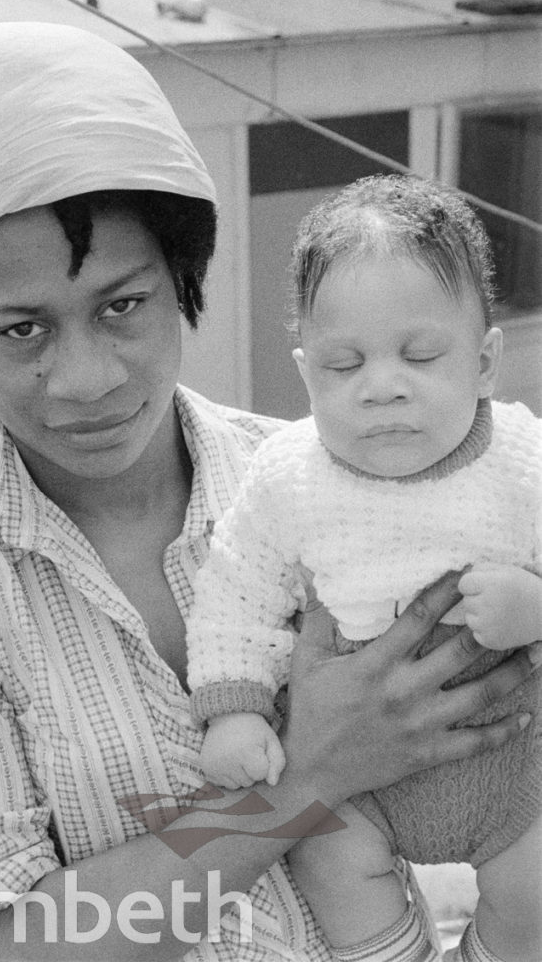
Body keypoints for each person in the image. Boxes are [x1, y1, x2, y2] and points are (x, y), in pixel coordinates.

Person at [0, 26, 533, 962]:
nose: (86, 379)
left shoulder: (305, 480)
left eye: (122, 304)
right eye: (21, 330)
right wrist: (297, 786)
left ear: (183, 279)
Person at [186, 174, 542, 962]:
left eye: (420, 355)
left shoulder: (523, 458)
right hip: (353, 783)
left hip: (512, 757)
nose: (383, 387)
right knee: (322, 854)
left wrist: (534, 606)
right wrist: (234, 710)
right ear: (307, 373)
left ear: (484, 362)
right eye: (345, 366)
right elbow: (236, 591)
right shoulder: (286, 475)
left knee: (537, 895)